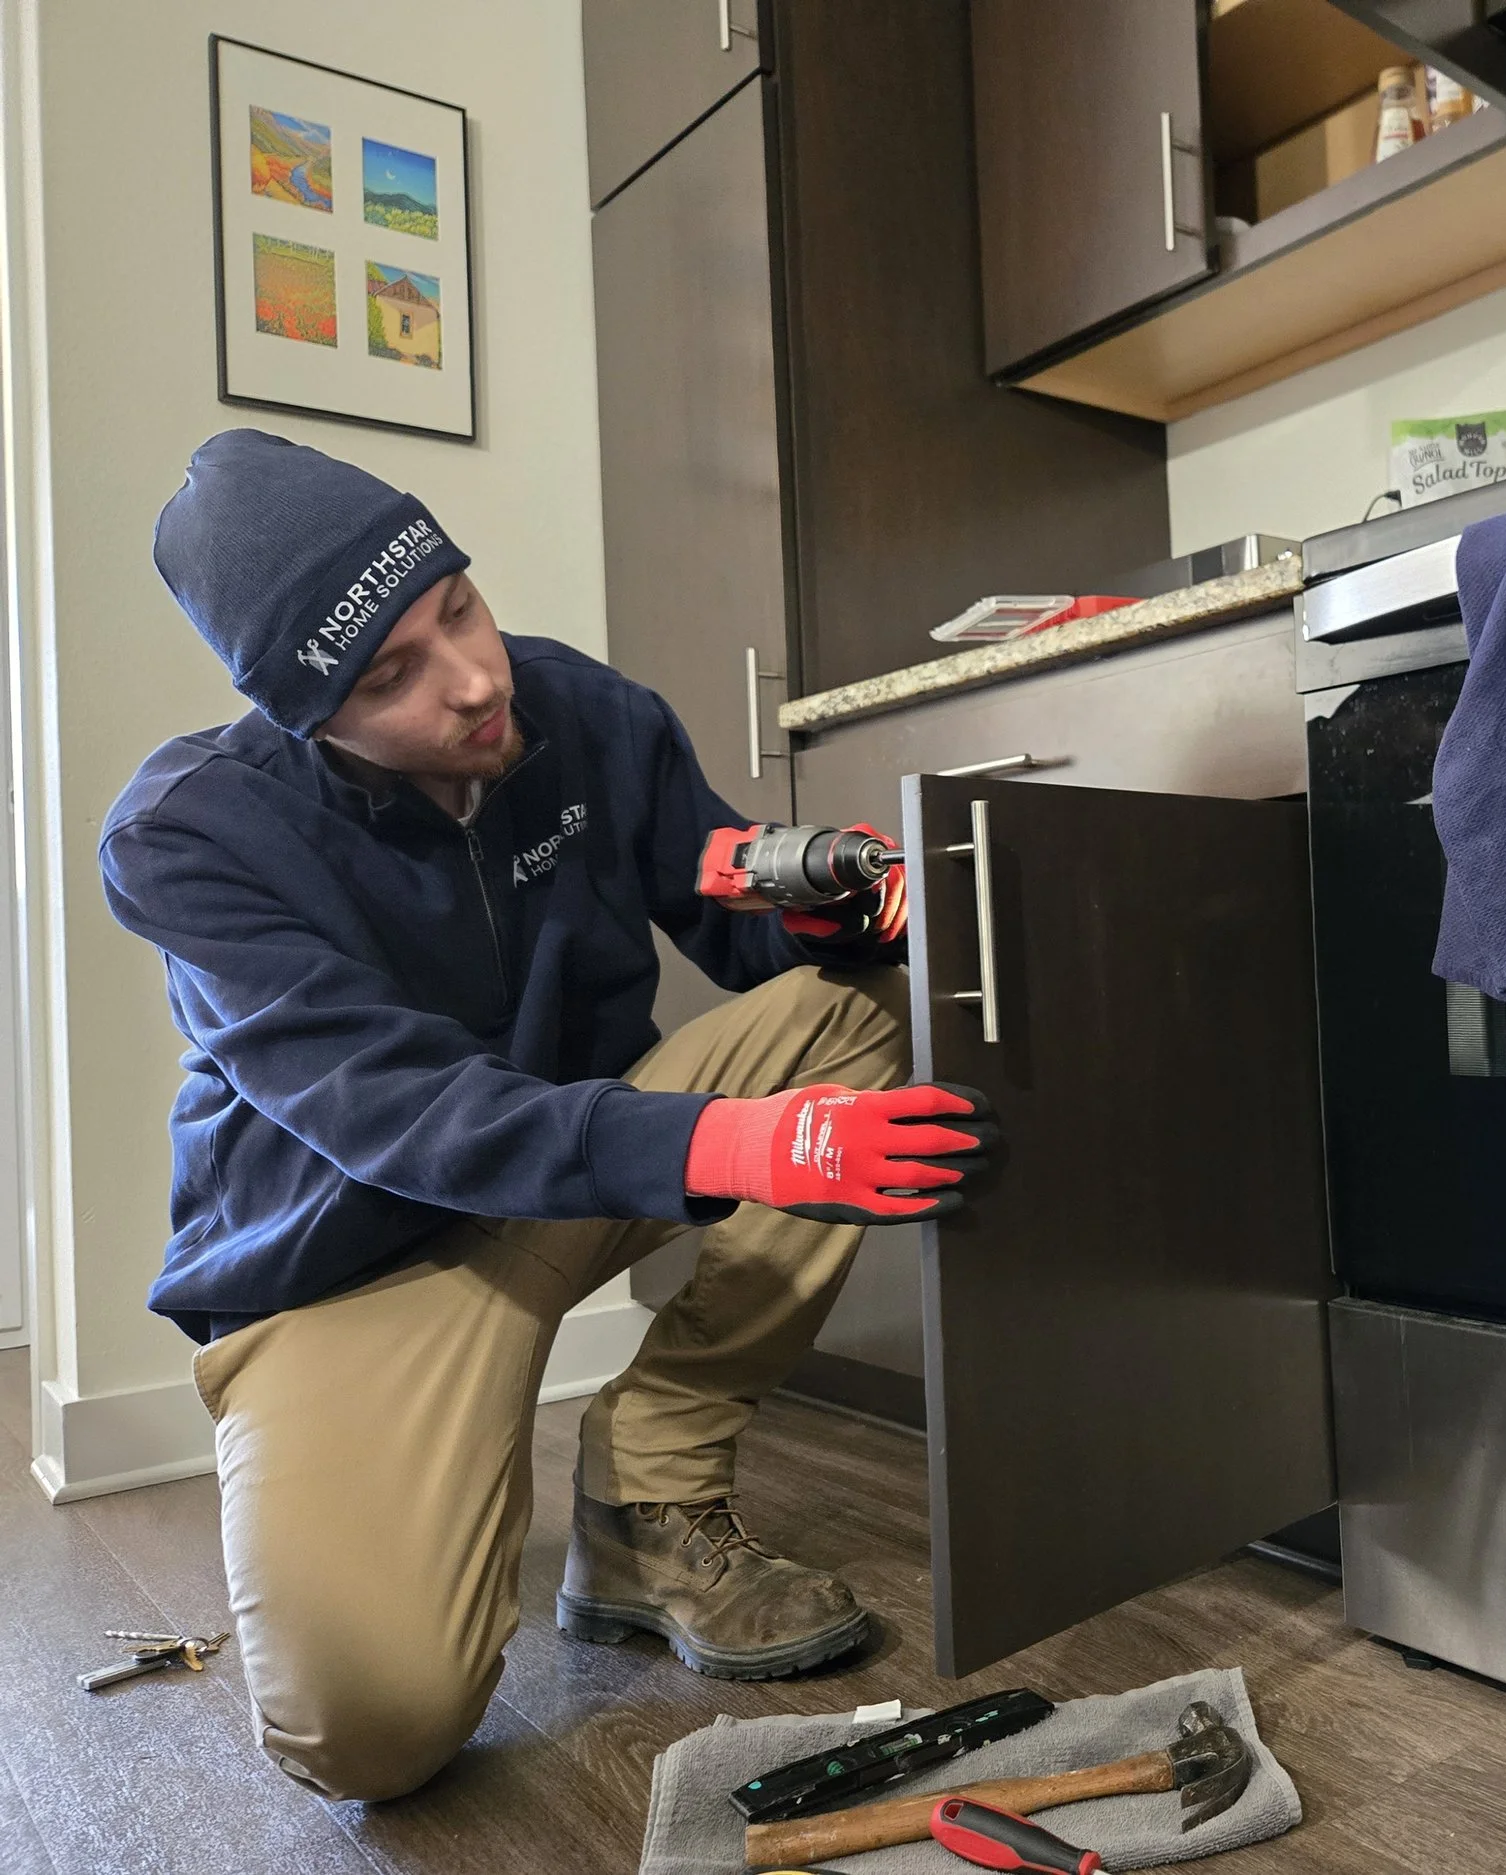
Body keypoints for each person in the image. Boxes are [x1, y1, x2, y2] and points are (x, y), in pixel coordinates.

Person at [100, 431, 993, 1802]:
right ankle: (414, 1486)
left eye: (457, 607)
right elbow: (403, 1111)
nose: (472, 681)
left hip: (570, 1180)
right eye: (387, 677)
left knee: (866, 1005)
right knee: (367, 1729)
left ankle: (650, 1489)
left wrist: (829, 905)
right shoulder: (191, 837)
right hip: (352, 1268)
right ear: (304, 716)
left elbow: (742, 926)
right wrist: (741, 1144)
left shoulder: (579, 708)